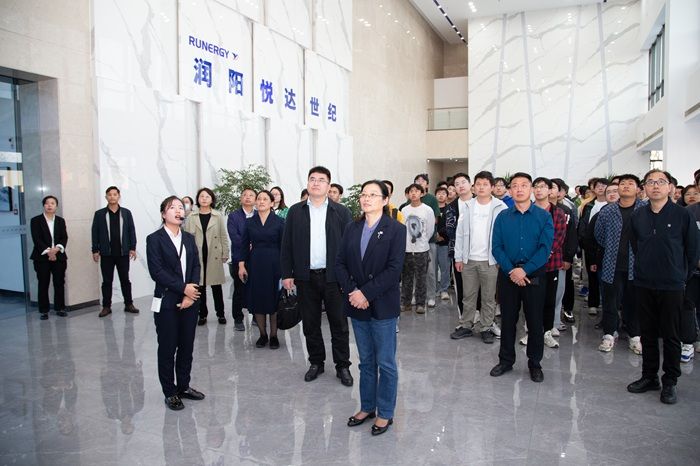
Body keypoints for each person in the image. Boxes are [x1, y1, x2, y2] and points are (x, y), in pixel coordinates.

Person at [336, 180, 406, 436]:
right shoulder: (351, 228)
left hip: (383, 305)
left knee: (385, 362)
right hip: (357, 304)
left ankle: (385, 412)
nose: (366, 199)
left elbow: (394, 270)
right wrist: (354, 292)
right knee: (366, 361)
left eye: (373, 195)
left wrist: (365, 293)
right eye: (364, 195)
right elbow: (340, 263)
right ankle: (367, 406)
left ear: (385, 200)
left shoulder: (396, 229)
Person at [627, 169, 698, 404]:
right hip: (644, 282)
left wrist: (681, 276)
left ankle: (670, 381)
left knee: (671, 335)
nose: (655, 186)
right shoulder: (638, 216)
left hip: (672, 285)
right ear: (644, 188)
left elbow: (692, 250)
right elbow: (636, 245)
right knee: (647, 333)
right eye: (650, 182)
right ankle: (649, 376)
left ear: (670, 187)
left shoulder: (682, 215)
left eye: (660, 182)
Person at [281, 166, 354, 385]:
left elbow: (349, 247)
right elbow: (287, 244)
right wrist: (287, 273)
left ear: (328, 186)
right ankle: (316, 362)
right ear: (307, 183)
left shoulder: (341, 212)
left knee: (339, 323)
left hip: (334, 278)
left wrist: (348, 276)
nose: (316, 183)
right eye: (312, 179)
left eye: (321, 180)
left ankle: (342, 366)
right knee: (310, 323)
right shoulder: (296, 211)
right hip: (305, 277)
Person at [490, 172, 553, 383]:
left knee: (535, 321)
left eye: (524, 185)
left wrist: (524, 270)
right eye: (515, 185)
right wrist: (512, 270)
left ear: (531, 189)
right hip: (508, 275)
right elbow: (497, 247)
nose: (519, 189)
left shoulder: (543, 216)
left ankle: (535, 363)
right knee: (508, 320)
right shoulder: (502, 216)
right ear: (510, 190)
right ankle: (506, 361)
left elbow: (545, 249)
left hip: (534, 275)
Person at [146, 196, 204, 411]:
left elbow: (196, 266)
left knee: (187, 346)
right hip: (167, 301)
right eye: (173, 208)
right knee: (168, 347)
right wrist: (183, 289)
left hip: (190, 300)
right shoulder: (154, 239)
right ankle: (170, 392)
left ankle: (184, 386)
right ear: (163, 214)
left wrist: (191, 293)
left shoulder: (189, 238)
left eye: (181, 207)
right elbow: (157, 272)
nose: (179, 211)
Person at [451, 171, 506, 343]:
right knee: (468, 295)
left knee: (489, 297)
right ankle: (466, 325)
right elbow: (460, 233)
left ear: (492, 187)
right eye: (479, 184)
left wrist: (501, 259)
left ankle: (486, 326)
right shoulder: (468, 206)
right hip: (469, 260)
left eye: (485, 184)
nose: (481, 187)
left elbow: (505, 235)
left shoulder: (500, 207)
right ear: (474, 187)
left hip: (491, 260)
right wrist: (458, 257)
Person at [594, 175, 644, 353]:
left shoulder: (645, 209)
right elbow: (599, 235)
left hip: (637, 265)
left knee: (635, 302)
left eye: (631, 183)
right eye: (622, 183)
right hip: (612, 264)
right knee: (610, 301)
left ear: (638, 189)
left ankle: (635, 335)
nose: (626, 186)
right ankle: (609, 334)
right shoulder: (608, 211)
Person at [238, 190, 285, 349]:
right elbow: (243, 245)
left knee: (274, 299)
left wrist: (287, 269)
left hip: (275, 264)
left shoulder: (280, 222)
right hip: (255, 264)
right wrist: (241, 265)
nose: (261, 201)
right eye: (259, 199)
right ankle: (262, 335)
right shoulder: (250, 222)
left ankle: (274, 335)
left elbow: (285, 247)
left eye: (265, 199)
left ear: (272, 203)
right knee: (258, 299)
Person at [91, 186, 139, 317]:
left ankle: (129, 304)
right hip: (106, 254)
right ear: (106, 197)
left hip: (123, 253)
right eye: (109, 194)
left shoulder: (126, 213)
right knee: (107, 281)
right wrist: (95, 250)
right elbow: (95, 232)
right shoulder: (99, 214)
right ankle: (106, 307)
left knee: (125, 280)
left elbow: (131, 231)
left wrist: (133, 248)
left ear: (119, 196)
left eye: (115, 194)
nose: (112, 197)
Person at [184, 188, 229, 326]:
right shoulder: (191, 217)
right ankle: (202, 314)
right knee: (200, 287)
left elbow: (223, 235)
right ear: (197, 199)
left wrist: (225, 252)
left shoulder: (217, 216)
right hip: (197, 255)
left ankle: (220, 314)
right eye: (201, 196)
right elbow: (187, 238)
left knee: (216, 286)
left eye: (207, 196)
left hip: (214, 254)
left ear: (212, 199)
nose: (204, 199)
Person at [532, 177, 567, 349]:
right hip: (530, 265)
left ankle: (546, 332)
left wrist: (543, 254)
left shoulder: (558, 213)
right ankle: (532, 332)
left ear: (550, 190)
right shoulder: (528, 210)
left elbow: (558, 238)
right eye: (536, 187)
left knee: (549, 299)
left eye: (543, 187)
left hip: (551, 264)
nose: (539, 190)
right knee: (532, 300)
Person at [30, 195, 68, 320]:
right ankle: (44, 310)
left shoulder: (60, 221)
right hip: (41, 258)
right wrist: (49, 252)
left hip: (59, 256)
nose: (49, 205)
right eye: (47, 203)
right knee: (43, 283)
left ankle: (60, 308)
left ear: (56, 206)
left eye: (52, 203)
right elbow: (36, 239)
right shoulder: (35, 220)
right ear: (43, 205)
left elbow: (64, 237)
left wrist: (56, 249)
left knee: (59, 283)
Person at [400, 183, 435, 314]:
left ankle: (420, 304)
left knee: (421, 278)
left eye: (416, 191)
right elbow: (402, 228)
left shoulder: (428, 210)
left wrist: (423, 241)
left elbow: (430, 229)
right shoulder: (404, 210)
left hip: (422, 249)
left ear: (422, 193)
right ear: (408, 194)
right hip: (407, 249)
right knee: (406, 278)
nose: (413, 193)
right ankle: (406, 303)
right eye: (411, 191)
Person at [227, 188, 257, 331]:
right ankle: (238, 319)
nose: (247, 197)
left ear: (255, 199)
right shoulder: (233, 216)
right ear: (241, 199)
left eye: (251, 195)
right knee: (239, 289)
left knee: (256, 288)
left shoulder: (259, 214)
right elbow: (234, 237)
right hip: (239, 257)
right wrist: (248, 244)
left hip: (256, 258)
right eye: (244, 195)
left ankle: (257, 316)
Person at [445, 173, 473, 320]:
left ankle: (484, 320)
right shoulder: (451, 207)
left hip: (480, 253)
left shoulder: (481, 202)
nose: (460, 186)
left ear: (470, 184)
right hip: (459, 254)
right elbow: (450, 231)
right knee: (461, 287)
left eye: (463, 182)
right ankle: (464, 319)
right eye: (457, 184)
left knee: (483, 290)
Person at [578, 178, 608, 314]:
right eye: (598, 186)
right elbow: (583, 225)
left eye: (604, 185)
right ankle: (593, 303)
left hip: (607, 247)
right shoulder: (589, 205)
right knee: (592, 275)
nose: (601, 188)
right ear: (593, 189)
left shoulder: (612, 205)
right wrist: (584, 242)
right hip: (591, 245)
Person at [413, 174, 440, 307]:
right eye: (417, 181)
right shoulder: (410, 201)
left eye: (422, 181)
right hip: (413, 244)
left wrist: (424, 236)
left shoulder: (431, 199)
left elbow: (434, 221)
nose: (419, 183)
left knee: (430, 271)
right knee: (414, 271)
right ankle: (415, 295)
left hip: (429, 242)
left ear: (427, 185)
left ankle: (431, 296)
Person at [434, 186, 451, 300]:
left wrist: (440, 234)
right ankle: (435, 289)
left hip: (445, 242)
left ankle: (444, 289)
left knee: (445, 267)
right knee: (433, 268)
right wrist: (434, 234)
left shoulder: (450, 209)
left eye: (443, 193)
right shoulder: (431, 209)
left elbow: (451, 225)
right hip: (432, 242)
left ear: (447, 196)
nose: (441, 195)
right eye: (439, 193)